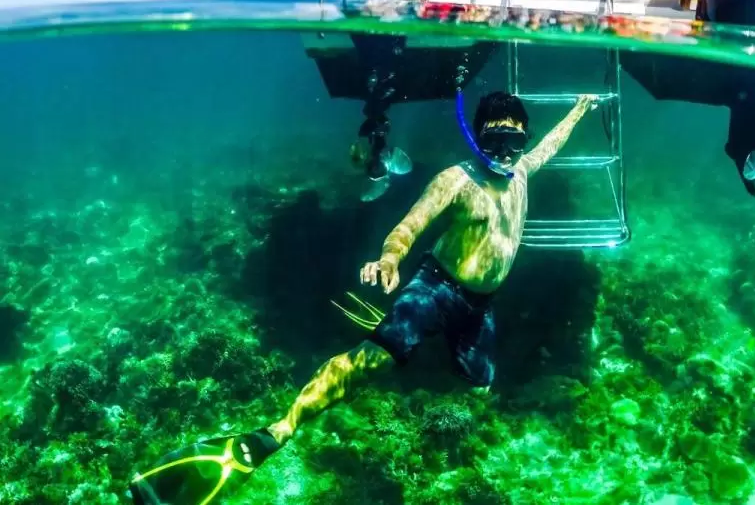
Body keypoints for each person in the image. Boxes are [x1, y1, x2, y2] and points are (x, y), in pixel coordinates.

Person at [128, 91, 599, 505]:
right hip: (436, 289)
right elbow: (412, 224)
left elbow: (549, 146)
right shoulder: (456, 180)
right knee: (372, 360)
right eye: (495, 142)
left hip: (480, 306)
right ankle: (279, 429)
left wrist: (578, 110)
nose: (507, 153)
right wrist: (390, 260)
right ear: (477, 139)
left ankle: (408, 338)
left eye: (515, 143)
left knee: (480, 382)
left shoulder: (522, 173)